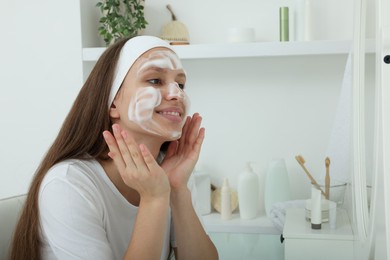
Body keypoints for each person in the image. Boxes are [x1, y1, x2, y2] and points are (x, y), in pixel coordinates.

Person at [10, 35, 218, 260]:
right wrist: (154, 199)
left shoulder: (170, 172)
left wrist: (178, 190)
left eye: (181, 83)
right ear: (113, 103)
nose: (176, 93)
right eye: (155, 81)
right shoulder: (69, 184)